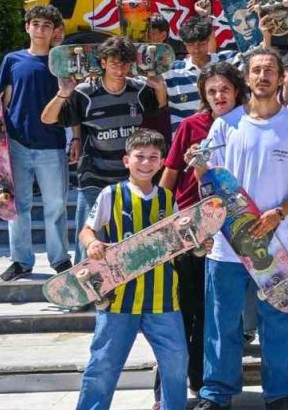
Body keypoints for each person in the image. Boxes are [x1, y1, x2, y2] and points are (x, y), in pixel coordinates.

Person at [196, 47, 288, 410]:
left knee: (278, 324)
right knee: (222, 323)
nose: (262, 76)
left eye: (269, 70)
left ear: (280, 79)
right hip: (227, 247)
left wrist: (279, 213)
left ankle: (279, 394)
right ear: (246, 79)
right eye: (256, 70)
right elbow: (210, 182)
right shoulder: (225, 124)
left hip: (277, 243)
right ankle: (216, 393)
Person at [76, 129, 202, 410]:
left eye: (153, 158)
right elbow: (87, 230)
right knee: (103, 365)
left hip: (163, 300)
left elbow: (184, 237)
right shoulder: (111, 194)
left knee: (175, 363)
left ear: (160, 163)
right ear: (126, 160)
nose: (146, 163)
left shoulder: (168, 199)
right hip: (119, 299)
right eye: (140, 157)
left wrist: (200, 239)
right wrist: (93, 243)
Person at [154, 62, 248, 405]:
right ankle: (168, 389)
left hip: (232, 231)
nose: (219, 96)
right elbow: (170, 175)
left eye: (224, 89)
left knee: (219, 317)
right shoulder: (191, 126)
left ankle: (208, 384)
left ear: (237, 90)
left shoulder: (247, 124)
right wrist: (160, 219)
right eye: (212, 91)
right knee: (184, 312)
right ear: (203, 96)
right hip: (191, 230)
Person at [42, 35, 166, 264]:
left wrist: (160, 86)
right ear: (103, 63)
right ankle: (85, 291)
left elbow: (158, 105)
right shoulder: (84, 92)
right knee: (89, 242)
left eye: (125, 64)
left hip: (129, 180)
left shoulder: (138, 90)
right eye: (114, 63)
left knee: (127, 238)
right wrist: (63, 92)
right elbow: (48, 118)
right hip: (94, 177)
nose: (120, 69)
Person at [0, 5, 72, 281]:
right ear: (27, 27)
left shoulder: (61, 62)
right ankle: (21, 260)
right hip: (17, 143)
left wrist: (75, 136)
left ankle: (60, 260)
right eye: (36, 24)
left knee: (55, 205)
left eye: (47, 25)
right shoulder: (12, 59)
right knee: (17, 205)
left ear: (54, 30)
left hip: (52, 142)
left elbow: (74, 99)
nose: (40, 29)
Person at [163, 14, 238, 131]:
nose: (196, 49)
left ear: (209, 40)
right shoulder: (171, 71)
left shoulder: (228, 60)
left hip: (227, 134)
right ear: (184, 43)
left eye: (201, 43)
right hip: (187, 140)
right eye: (191, 45)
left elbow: (258, 55)